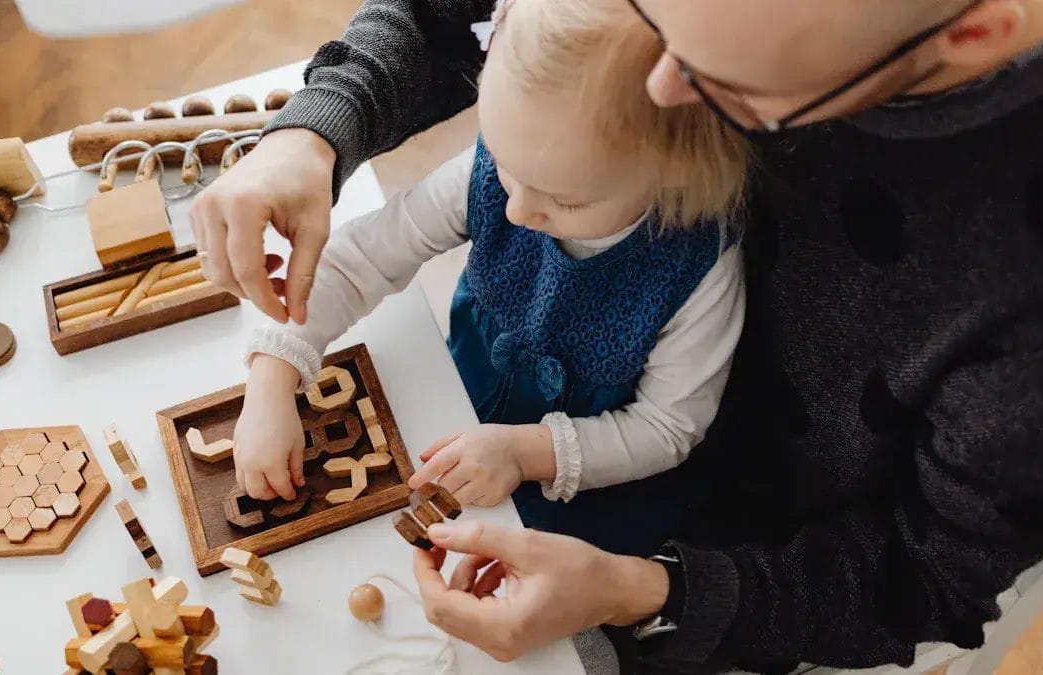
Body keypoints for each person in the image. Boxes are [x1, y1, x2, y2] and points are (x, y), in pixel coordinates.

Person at [190, 0, 1043, 672]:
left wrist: (638, 589)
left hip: (718, 561)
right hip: (485, 438)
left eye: (729, 88)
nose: (662, 87)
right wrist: (313, 131)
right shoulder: (536, 153)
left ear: (974, 34)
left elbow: (918, 574)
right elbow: (445, 25)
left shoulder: (1025, 318)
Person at [231, 0, 749, 559]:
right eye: (503, 160)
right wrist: (273, 377)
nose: (517, 210)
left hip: (589, 492)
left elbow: (666, 428)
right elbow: (359, 259)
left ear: (674, 173)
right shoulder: (511, 170)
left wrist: (527, 453)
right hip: (457, 407)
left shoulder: (699, 267)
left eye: (564, 200)